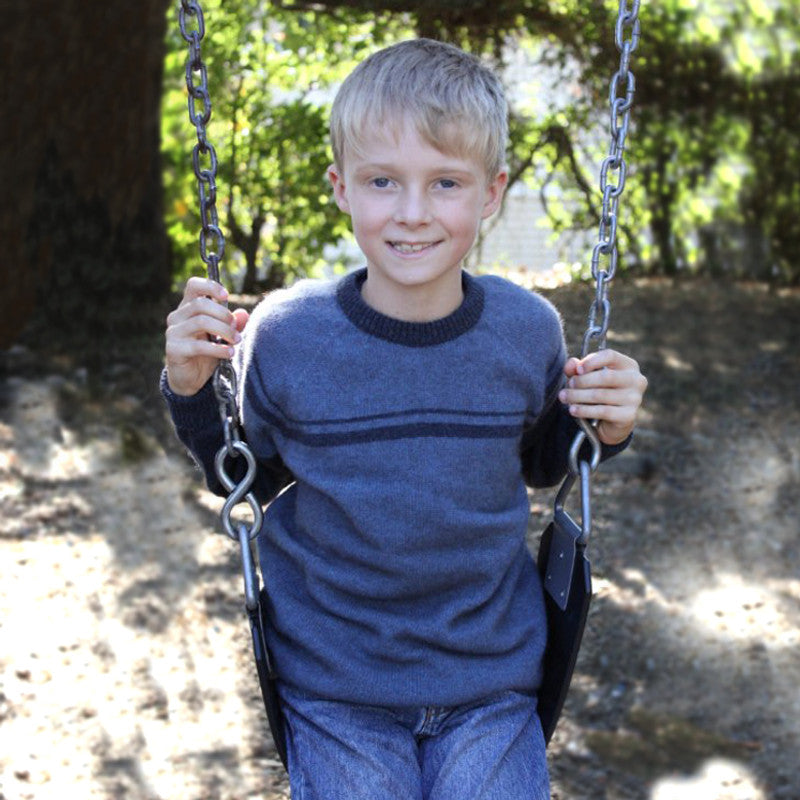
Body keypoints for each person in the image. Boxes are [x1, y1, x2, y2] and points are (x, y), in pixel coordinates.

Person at [162, 38, 647, 800]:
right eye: (383, 181)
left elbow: (542, 460)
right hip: (336, 685)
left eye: (445, 182)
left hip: (490, 679)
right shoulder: (289, 336)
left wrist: (604, 425)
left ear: (491, 192)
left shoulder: (527, 331)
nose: (413, 213)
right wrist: (193, 386)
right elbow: (246, 476)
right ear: (341, 187)